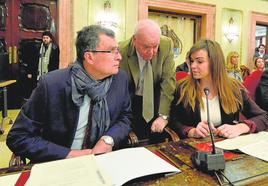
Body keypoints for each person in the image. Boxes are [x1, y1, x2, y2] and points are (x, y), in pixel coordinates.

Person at [7, 25, 132, 163]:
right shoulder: (52, 85)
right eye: (111, 51)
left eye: (118, 50)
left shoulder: (120, 79)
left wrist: (108, 139)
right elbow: (18, 136)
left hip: (103, 161)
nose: (119, 57)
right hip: (59, 163)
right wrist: (68, 154)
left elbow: (125, 117)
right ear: (89, 57)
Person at [170, 39, 268, 139]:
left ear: (215, 62)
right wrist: (191, 131)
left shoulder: (234, 87)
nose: (193, 66)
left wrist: (241, 127)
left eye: (199, 61)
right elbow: (173, 121)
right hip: (193, 148)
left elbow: (263, 117)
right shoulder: (182, 88)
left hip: (226, 146)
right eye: (191, 61)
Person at [119, 19, 175, 141]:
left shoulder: (166, 45)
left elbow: (168, 83)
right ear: (134, 40)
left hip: (155, 101)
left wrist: (163, 116)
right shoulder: (121, 51)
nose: (151, 52)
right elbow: (119, 90)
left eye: (155, 46)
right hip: (131, 102)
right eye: (146, 47)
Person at [21, 31, 60, 99]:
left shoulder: (55, 48)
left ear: (50, 39)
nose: (45, 39)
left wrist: (54, 75)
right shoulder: (37, 47)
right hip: (37, 73)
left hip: (49, 73)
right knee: (37, 90)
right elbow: (32, 60)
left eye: (47, 38)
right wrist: (29, 72)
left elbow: (56, 63)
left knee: (48, 90)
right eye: (44, 37)